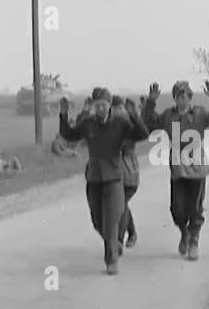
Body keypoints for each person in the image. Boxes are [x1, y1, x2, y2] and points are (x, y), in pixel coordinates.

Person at [59, 88, 149, 274]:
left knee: (110, 219)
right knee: (97, 220)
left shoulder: (120, 123)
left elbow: (142, 135)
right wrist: (63, 114)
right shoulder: (88, 123)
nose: (100, 108)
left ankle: (111, 260)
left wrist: (134, 115)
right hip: (94, 176)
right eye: (97, 104)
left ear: (109, 105)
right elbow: (69, 134)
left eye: (104, 104)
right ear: (93, 105)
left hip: (115, 177)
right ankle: (115, 243)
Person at [142, 80, 209, 260]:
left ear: (190, 98)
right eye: (178, 97)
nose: (181, 100)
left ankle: (194, 240)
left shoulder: (199, 114)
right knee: (177, 209)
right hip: (177, 165)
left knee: (195, 206)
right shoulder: (168, 115)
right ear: (174, 98)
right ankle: (184, 232)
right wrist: (150, 102)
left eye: (185, 97)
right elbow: (149, 121)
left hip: (196, 163)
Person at [111, 96, 140, 249]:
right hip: (112, 176)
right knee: (121, 206)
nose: (117, 111)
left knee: (120, 206)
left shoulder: (130, 127)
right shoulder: (108, 126)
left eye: (120, 108)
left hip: (129, 175)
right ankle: (133, 232)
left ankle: (119, 241)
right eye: (114, 109)